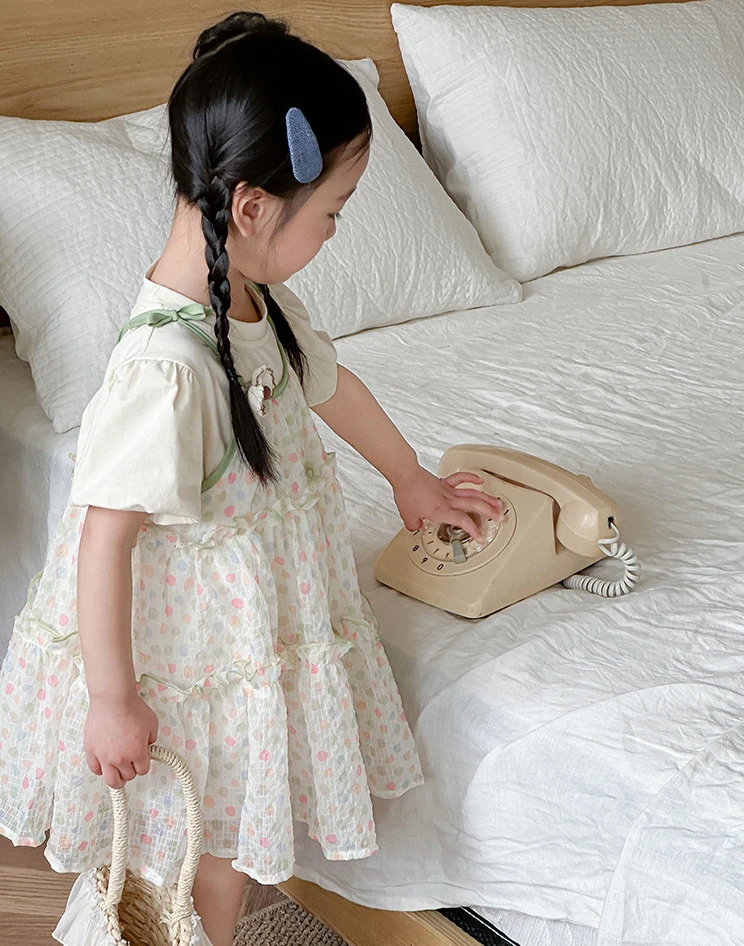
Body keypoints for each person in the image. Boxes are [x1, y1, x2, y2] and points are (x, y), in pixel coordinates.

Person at [0, 12, 504, 946]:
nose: (336, 231)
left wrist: (410, 478)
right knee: (190, 856)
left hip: (245, 628)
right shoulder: (166, 372)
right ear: (253, 208)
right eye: (332, 212)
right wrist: (112, 699)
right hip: (183, 654)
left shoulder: (256, 301)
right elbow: (103, 538)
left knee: (222, 846)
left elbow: (329, 384)